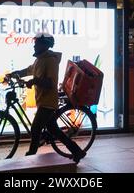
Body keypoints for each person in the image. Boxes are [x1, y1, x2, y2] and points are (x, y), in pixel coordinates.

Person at [6, 32, 87, 163]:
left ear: (44, 45)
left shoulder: (51, 60)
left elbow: (50, 82)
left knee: (35, 128)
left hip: (48, 102)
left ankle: (31, 155)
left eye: (36, 43)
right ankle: (78, 151)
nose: (34, 46)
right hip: (42, 101)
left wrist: (34, 81)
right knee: (54, 130)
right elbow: (29, 70)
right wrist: (14, 74)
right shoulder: (40, 59)